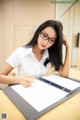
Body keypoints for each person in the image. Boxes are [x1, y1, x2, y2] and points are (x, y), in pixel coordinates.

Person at [0, 20, 70, 87]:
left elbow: (65, 74)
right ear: (38, 32)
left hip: (39, 93)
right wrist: (20, 80)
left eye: (51, 40)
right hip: (22, 91)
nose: (45, 42)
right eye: (44, 35)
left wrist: (68, 47)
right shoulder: (21, 52)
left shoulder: (50, 54)